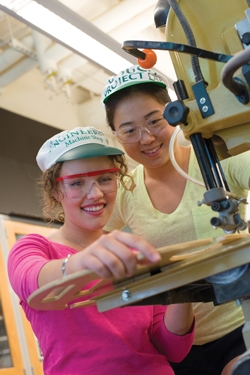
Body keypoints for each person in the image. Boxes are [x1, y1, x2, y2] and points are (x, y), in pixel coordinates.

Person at [7, 126, 195, 375]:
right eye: (76, 183)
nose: (95, 194)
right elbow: (32, 282)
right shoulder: (34, 248)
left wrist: (184, 287)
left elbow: (173, 349)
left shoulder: (133, 251)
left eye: (105, 178)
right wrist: (80, 263)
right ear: (55, 191)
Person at [101, 65, 250, 375]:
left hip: (239, 326)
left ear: (174, 113)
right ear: (116, 136)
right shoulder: (124, 191)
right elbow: (81, 243)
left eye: (155, 121)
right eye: (129, 130)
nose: (147, 138)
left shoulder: (214, 161)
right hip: (177, 345)